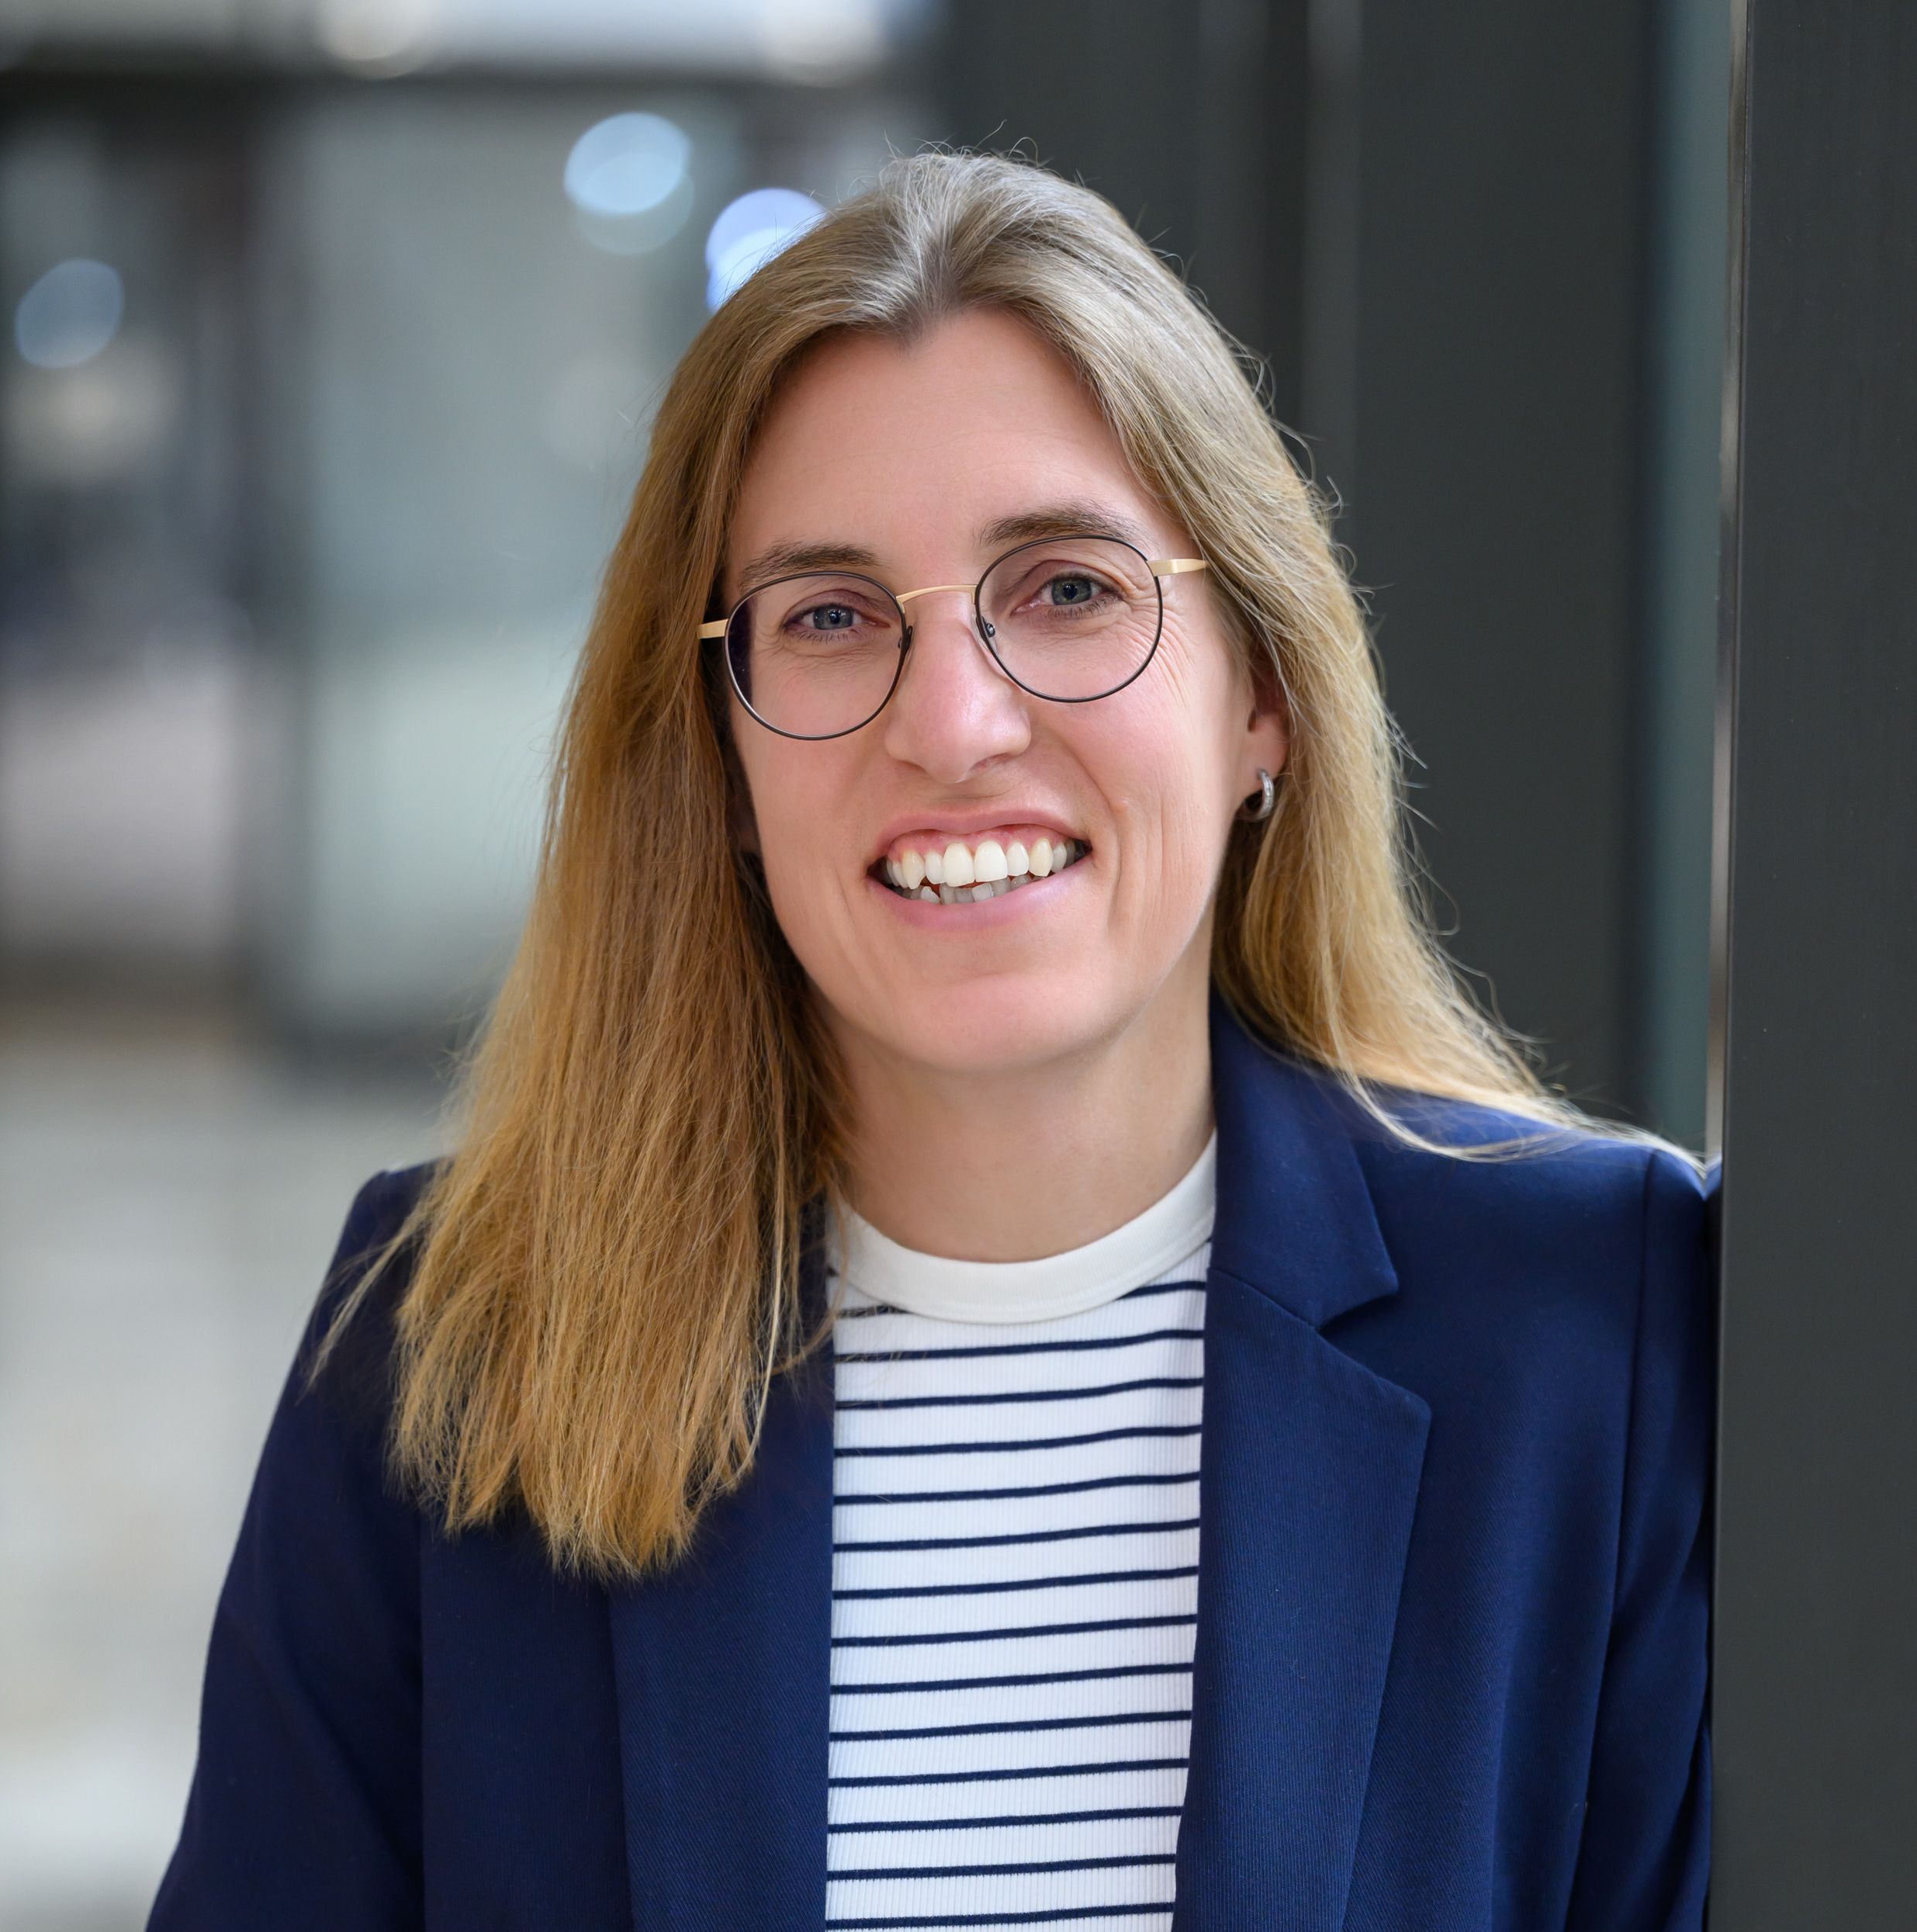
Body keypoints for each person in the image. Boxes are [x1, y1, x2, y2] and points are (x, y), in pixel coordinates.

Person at [149, 153, 1711, 1932]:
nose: (953, 725)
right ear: (717, 754)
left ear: (1262, 693)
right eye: (828, 618)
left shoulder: (1599, 1325)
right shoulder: (447, 1344)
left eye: (1065, 589)